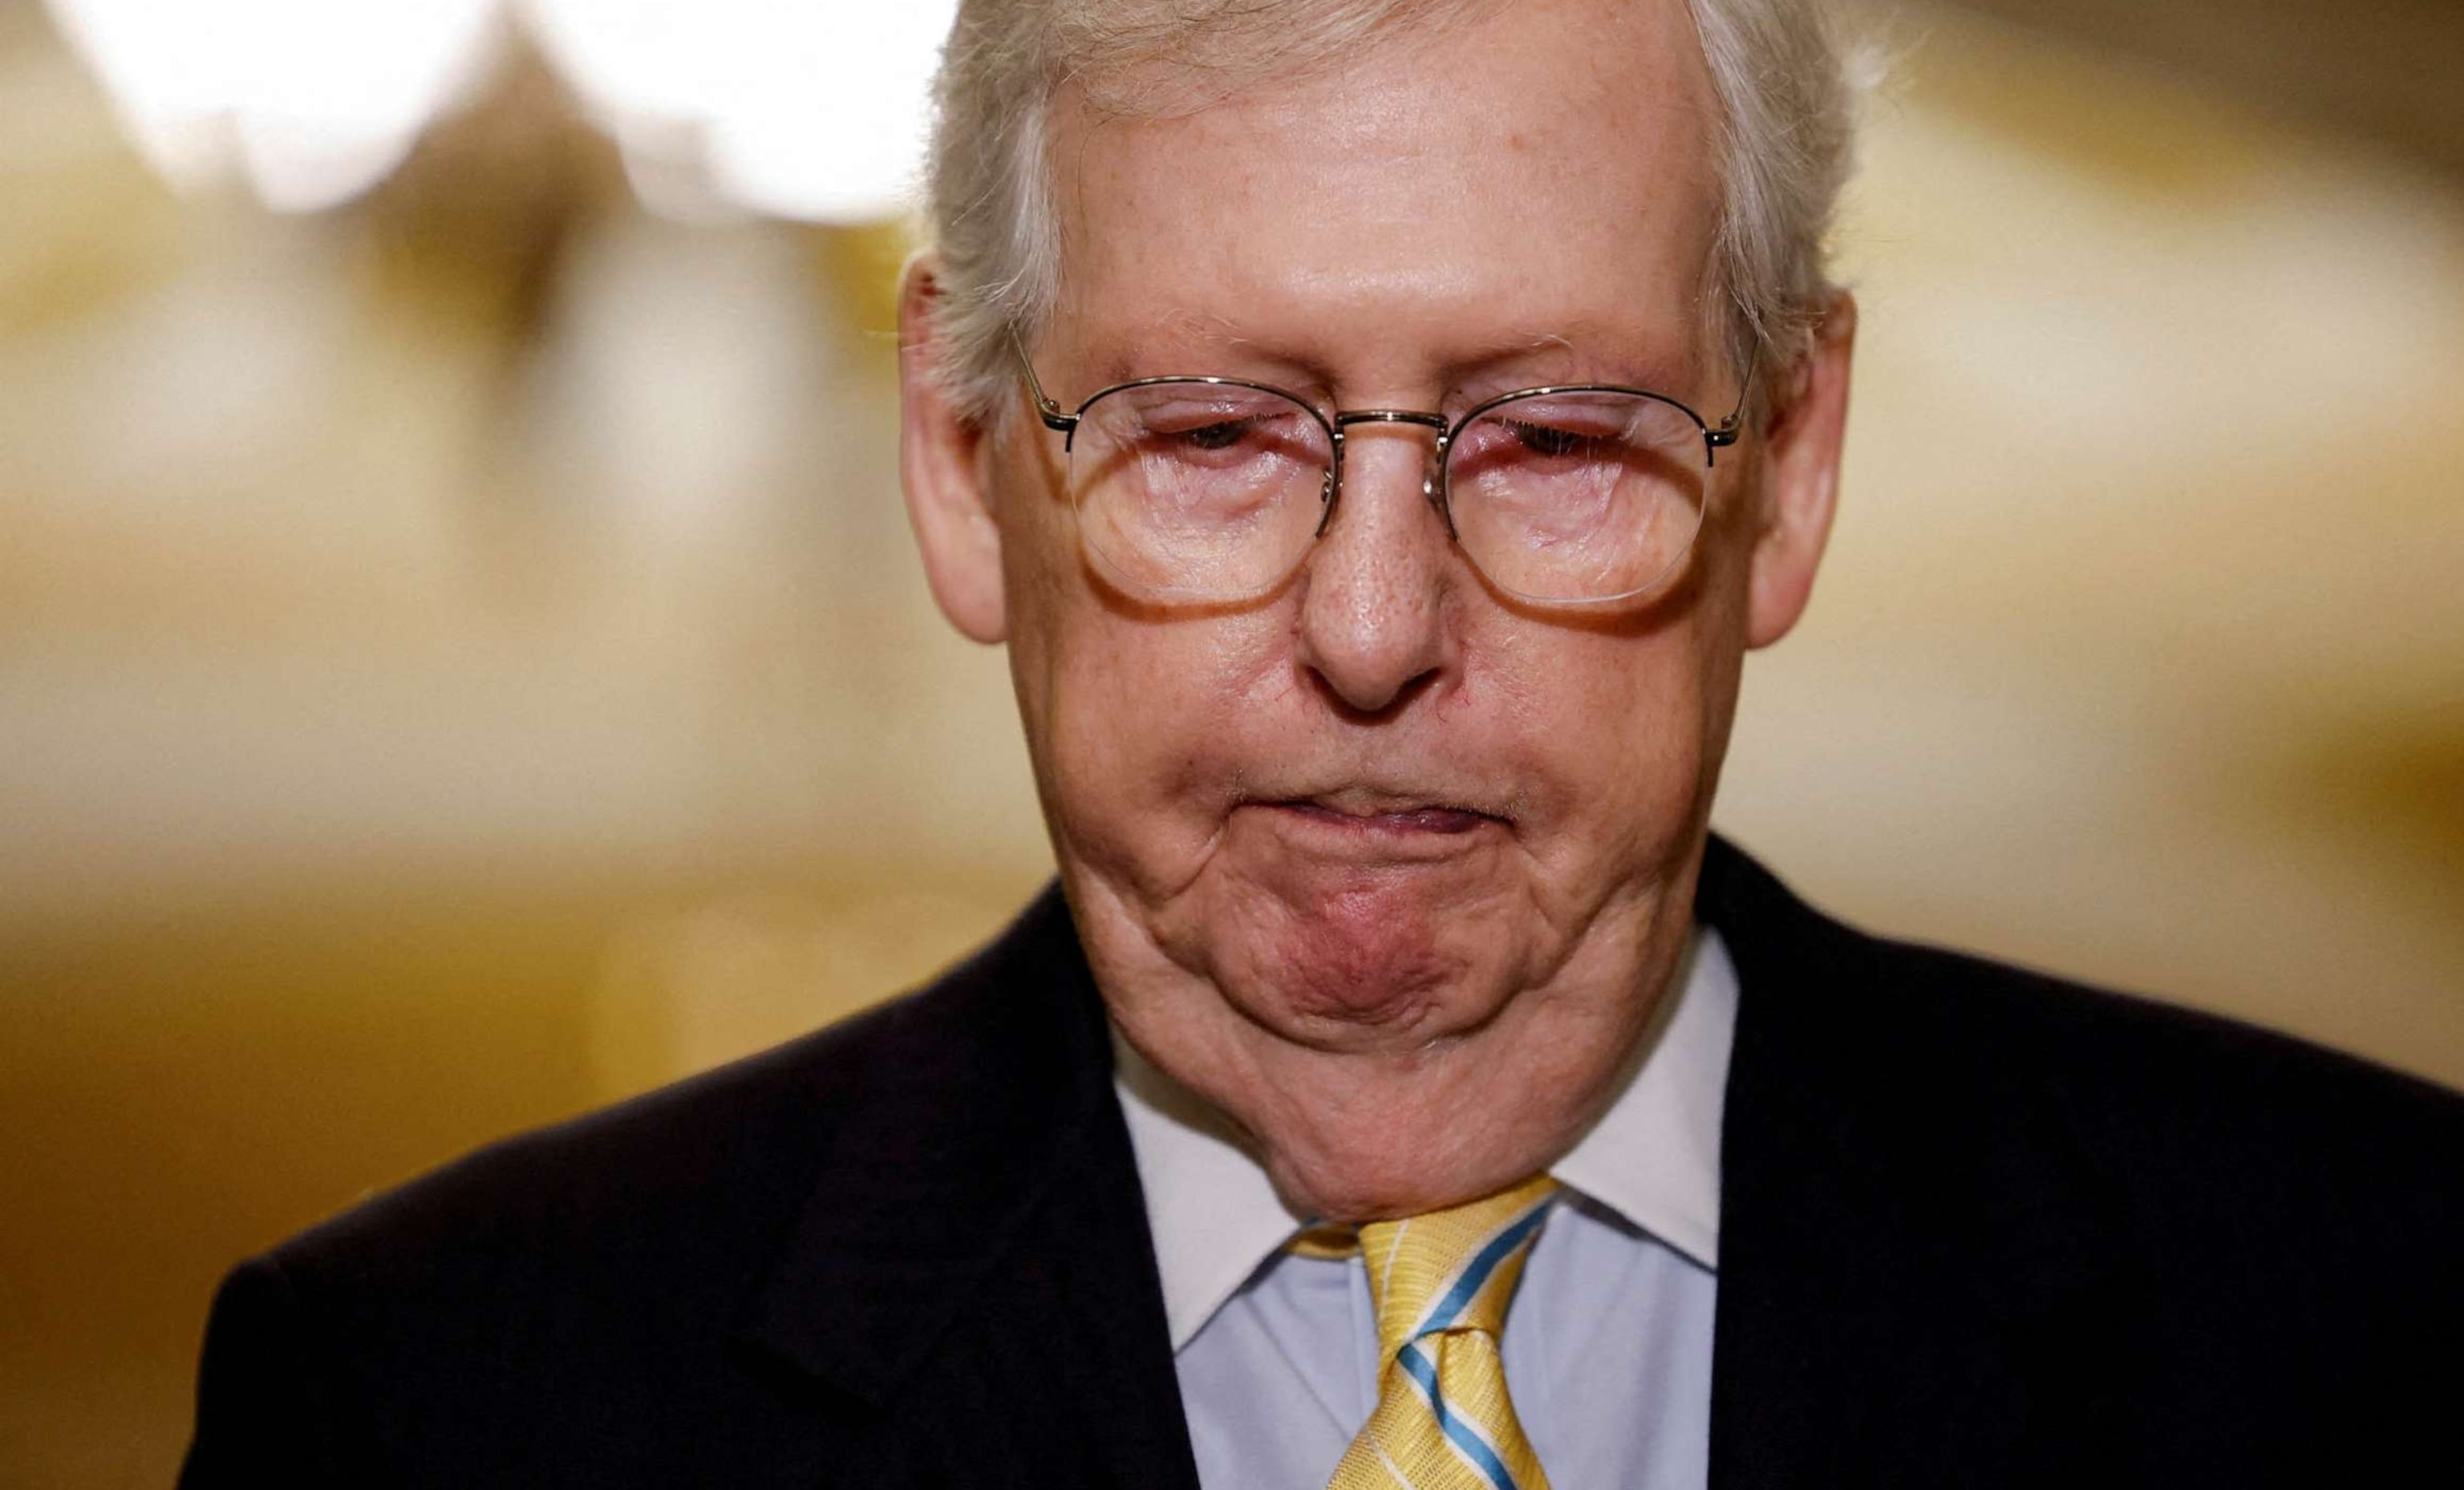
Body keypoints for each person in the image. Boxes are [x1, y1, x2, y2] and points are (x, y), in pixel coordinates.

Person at [181, 0, 2464, 1484]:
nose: (1376, 630)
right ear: (965, 462)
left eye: (1559, 430)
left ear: (1795, 462)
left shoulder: (2383, 1320)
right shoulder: (434, 1411)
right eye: (1211, 436)